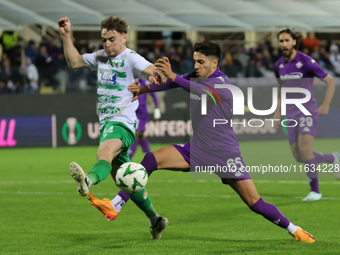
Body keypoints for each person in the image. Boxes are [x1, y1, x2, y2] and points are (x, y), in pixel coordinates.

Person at [88, 41, 316, 243]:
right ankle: (115, 205)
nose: (196, 66)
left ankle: (293, 229)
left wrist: (174, 75)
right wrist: (144, 89)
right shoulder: (196, 76)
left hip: (223, 153)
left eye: (201, 61)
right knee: (150, 159)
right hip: (196, 150)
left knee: (254, 202)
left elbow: (195, 88)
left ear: (214, 63)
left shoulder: (222, 83)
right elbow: (172, 84)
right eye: (194, 61)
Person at [58, 16, 168, 239]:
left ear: (124, 38)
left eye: (112, 39)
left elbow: (150, 69)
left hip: (121, 123)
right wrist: (66, 36)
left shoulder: (130, 58)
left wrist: (156, 75)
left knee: (104, 152)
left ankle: (88, 180)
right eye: (104, 40)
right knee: (126, 180)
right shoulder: (99, 57)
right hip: (107, 123)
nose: (107, 44)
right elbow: (74, 62)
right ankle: (155, 220)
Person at [273, 28, 339, 201]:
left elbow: (330, 81)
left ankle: (315, 191)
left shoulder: (306, 61)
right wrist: (277, 111)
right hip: (290, 113)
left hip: (307, 110)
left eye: (287, 40)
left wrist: (325, 105)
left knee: (305, 150)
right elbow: (281, 88)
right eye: (281, 41)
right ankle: (332, 158)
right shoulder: (278, 65)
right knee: (298, 156)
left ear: (294, 42)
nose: (284, 44)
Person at [128, 77, 160, 160]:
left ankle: (128, 158)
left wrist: (156, 108)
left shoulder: (144, 82)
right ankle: (149, 155)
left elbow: (153, 94)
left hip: (141, 113)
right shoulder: (129, 80)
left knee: (136, 134)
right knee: (140, 135)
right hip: (133, 110)